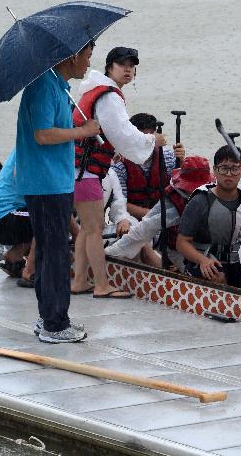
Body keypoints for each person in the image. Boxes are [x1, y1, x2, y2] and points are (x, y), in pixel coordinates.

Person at [14, 40, 101, 343]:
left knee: (53, 250)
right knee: (54, 253)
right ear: (73, 55)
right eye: (87, 56)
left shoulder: (60, 87)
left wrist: (82, 130)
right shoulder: (43, 87)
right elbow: (43, 134)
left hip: (57, 181)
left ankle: (51, 317)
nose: (89, 64)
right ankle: (54, 324)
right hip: (45, 184)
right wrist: (83, 132)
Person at [70, 47, 162, 298]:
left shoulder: (92, 88)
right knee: (95, 229)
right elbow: (123, 132)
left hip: (80, 169)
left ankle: (79, 281)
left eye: (132, 65)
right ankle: (101, 285)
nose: (129, 69)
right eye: (123, 64)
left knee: (88, 229)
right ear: (110, 66)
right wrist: (152, 140)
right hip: (86, 172)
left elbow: (111, 133)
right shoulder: (109, 96)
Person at [105, 155, 214, 271]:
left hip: (209, 246)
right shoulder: (172, 203)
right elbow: (141, 231)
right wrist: (109, 253)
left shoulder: (216, 193)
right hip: (180, 250)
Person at [177, 146, 241, 290]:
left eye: (235, 169)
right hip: (207, 263)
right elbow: (182, 243)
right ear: (214, 170)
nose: (229, 174)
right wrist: (203, 261)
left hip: (240, 264)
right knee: (217, 277)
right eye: (223, 168)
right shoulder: (200, 201)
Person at [110, 113, 185, 220]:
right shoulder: (120, 164)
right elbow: (120, 204)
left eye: (149, 139)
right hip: (134, 220)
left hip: (165, 216)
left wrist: (182, 161)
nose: (146, 143)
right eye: (142, 139)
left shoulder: (168, 157)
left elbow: (181, 186)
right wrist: (154, 215)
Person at [0, 149, 35, 287]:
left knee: (46, 214)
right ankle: (30, 271)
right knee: (47, 218)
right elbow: (19, 175)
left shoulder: (24, 145)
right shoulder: (29, 149)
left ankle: (13, 257)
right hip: (3, 220)